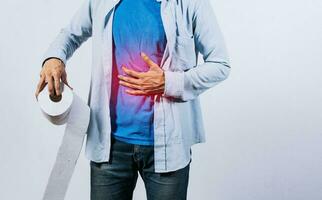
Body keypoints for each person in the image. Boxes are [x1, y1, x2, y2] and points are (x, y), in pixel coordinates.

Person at [35, 0, 231, 199]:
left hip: (167, 147)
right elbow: (70, 34)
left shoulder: (191, 4)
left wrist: (168, 82)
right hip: (110, 148)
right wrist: (54, 58)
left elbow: (220, 64)